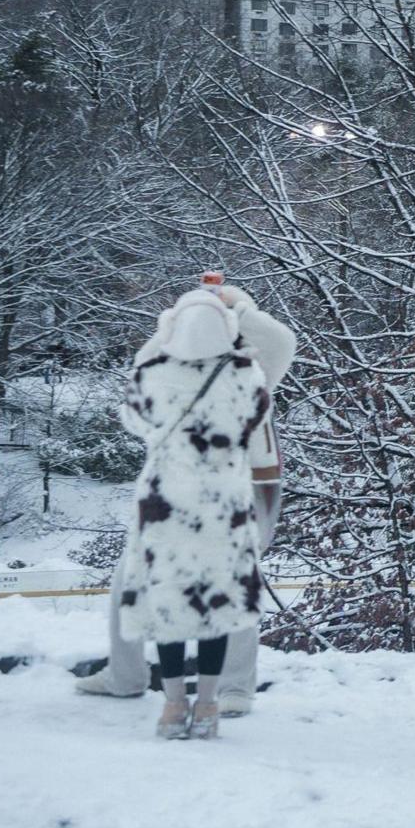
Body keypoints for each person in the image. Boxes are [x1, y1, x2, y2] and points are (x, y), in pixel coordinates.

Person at [81, 280, 295, 716]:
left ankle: (235, 688)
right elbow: (139, 380)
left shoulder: (249, 366)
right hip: (179, 488)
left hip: (243, 484)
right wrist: (183, 321)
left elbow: (281, 340)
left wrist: (236, 306)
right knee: (134, 575)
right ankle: (127, 674)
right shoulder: (183, 370)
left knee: (233, 580)